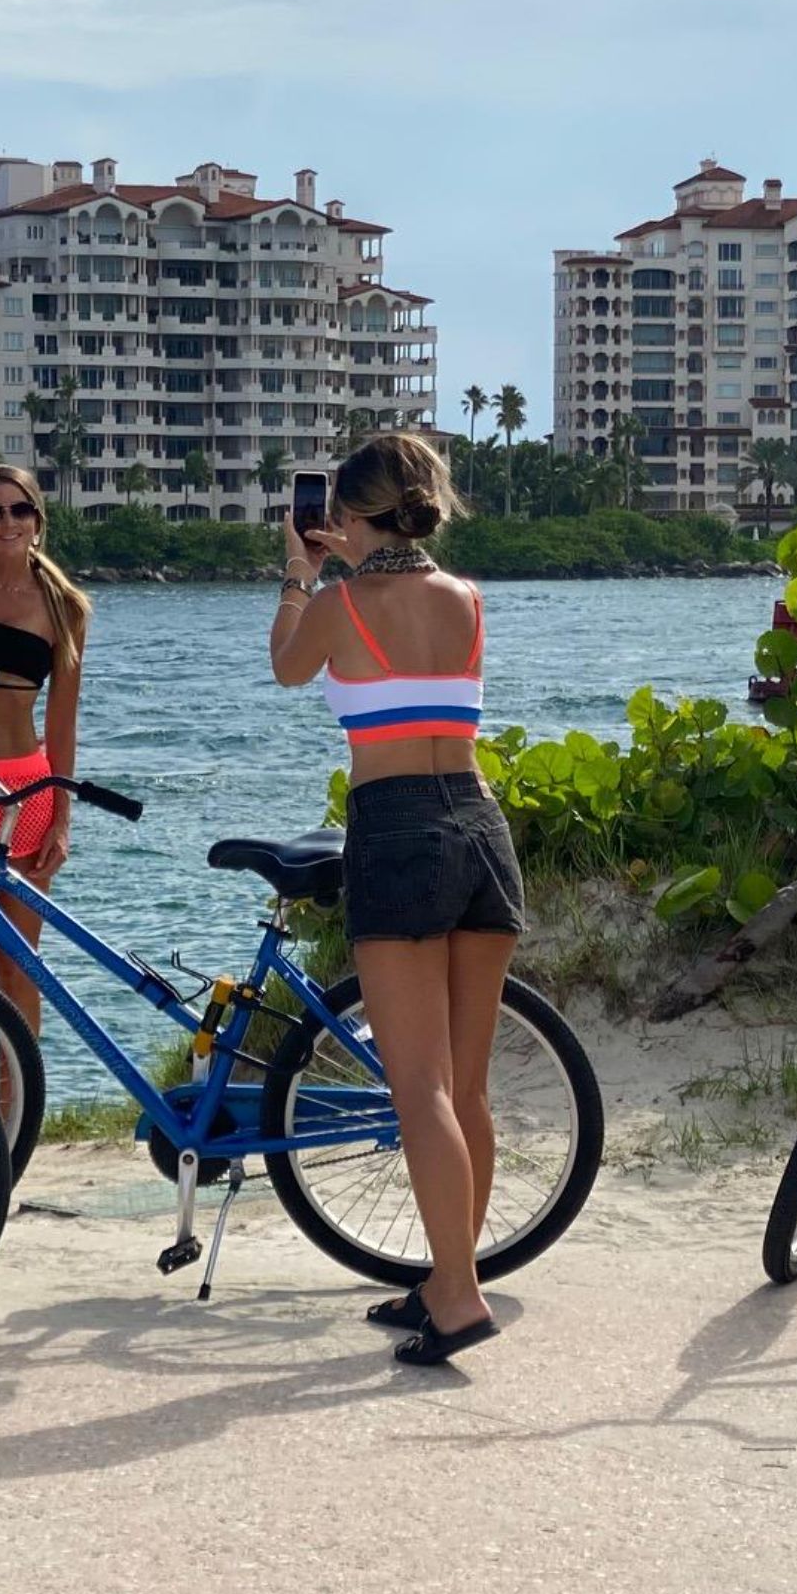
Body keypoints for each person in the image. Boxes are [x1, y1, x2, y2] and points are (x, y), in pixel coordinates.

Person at [270, 433, 521, 1368]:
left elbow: (289, 668)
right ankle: (453, 1276)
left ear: (349, 513)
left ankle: (454, 1296)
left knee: (417, 1090)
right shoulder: (465, 598)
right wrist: (351, 558)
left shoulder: (339, 603)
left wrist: (300, 575)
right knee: (465, 1088)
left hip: (396, 825)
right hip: (478, 823)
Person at [0, 465, 89, 1051]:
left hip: (26, 793)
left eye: (19, 510)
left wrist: (63, 815)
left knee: (17, 967)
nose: (7, 522)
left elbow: (62, 723)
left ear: (38, 520)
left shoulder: (66, 606)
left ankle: (17, 1115)